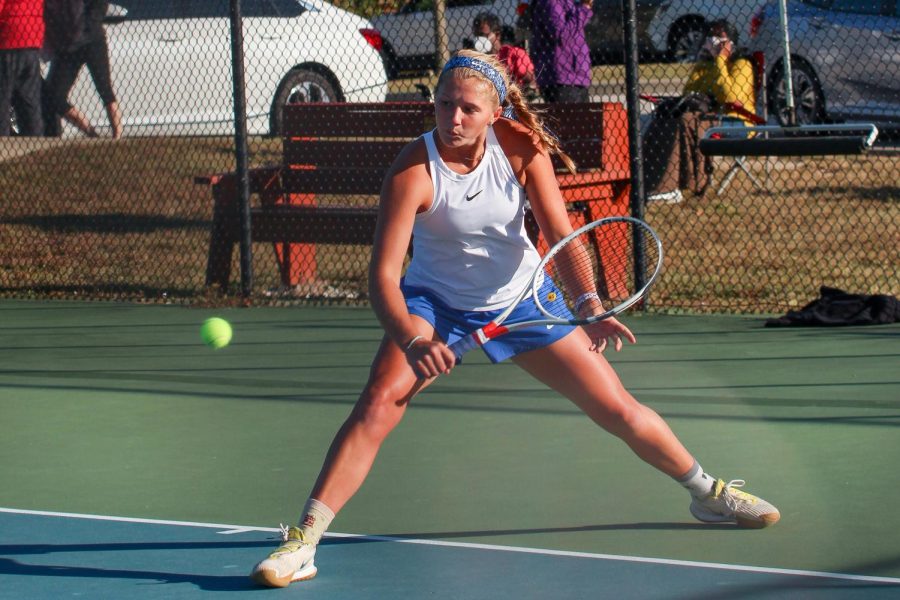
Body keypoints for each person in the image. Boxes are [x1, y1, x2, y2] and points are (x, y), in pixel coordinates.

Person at [249, 49, 780, 589]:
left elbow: (561, 236)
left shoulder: (521, 149)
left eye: (468, 110)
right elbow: (384, 278)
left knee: (616, 407)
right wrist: (412, 339)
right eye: (444, 104)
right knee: (379, 403)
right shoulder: (412, 170)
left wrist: (589, 307)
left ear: (496, 112)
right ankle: (304, 541)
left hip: (522, 299)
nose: (453, 119)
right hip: (434, 303)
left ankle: (708, 493)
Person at [643, 19, 755, 201]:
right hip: (707, 117)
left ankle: (680, 183)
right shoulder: (705, 65)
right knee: (667, 119)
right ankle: (650, 182)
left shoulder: (742, 65)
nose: (714, 40)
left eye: (721, 37)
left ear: (731, 42)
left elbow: (730, 97)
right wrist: (705, 62)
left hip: (737, 121)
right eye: (711, 36)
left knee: (686, 121)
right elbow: (690, 93)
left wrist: (721, 59)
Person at [43, 0, 121, 138]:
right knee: (54, 95)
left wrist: (87, 25)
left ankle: (118, 136)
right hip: (67, 46)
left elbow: (100, 6)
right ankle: (91, 133)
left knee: (105, 89)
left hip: (92, 41)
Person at [529, 0, 592, 103]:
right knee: (571, 118)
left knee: (582, 117)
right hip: (563, 79)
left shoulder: (568, 2)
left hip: (574, 77)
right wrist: (584, 9)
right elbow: (561, 35)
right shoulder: (553, 3)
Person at [0, 0, 44, 136]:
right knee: (29, 100)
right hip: (32, 38)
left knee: (3, 98)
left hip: (9, 38)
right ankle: (34, 141)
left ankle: (2, 141)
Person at [497, 25, 537, 100]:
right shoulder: (518, 52)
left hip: (504, 93)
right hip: (520, 93)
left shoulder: (497, 55)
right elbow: (528, 75)